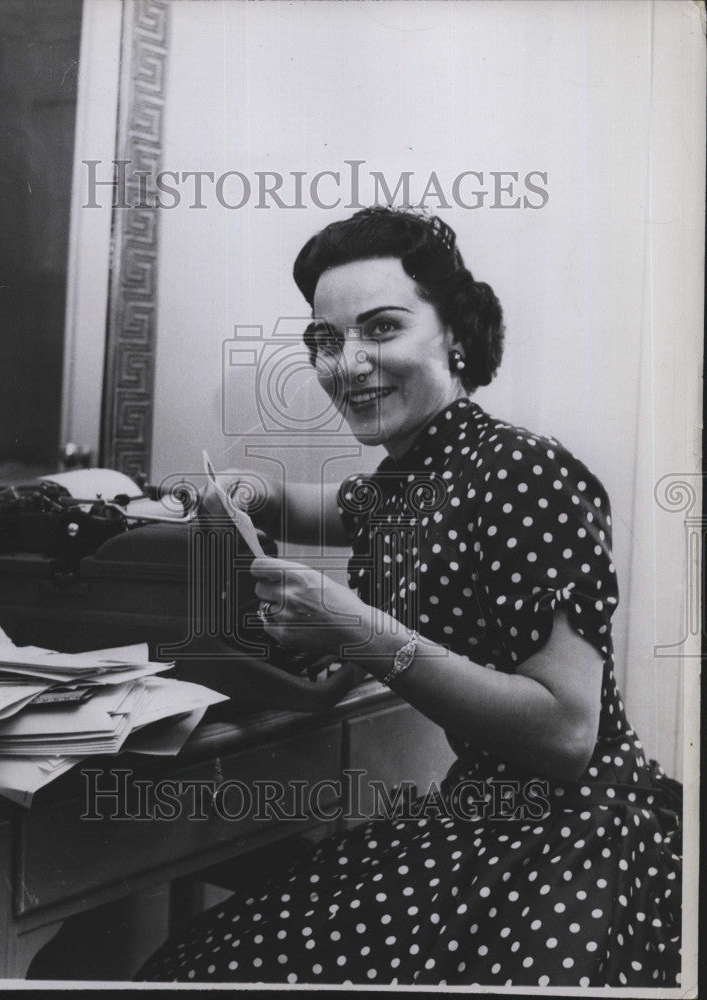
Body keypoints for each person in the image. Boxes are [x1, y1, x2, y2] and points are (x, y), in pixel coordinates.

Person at [135, 207, 681, 988]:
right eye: (326, 341)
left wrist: (360, 634)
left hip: (567, 839)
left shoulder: (524, 472)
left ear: (455, 334)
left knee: (196, 965)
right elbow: (308, 505)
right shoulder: (419, 473)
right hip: (489, 821)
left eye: (381, 329)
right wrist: (250, 490)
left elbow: (568, 735)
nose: (347, 364)